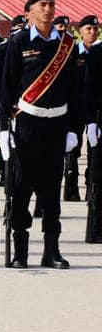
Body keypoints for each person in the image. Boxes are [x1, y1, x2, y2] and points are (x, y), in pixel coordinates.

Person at [0, 0, 90, 270]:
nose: (48, 9)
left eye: (51, 4)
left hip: (57, 125)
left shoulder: (67, 44)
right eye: (42, 5)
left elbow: (76, 92)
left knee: (51, 189)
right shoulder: (18, 42)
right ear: (29, 11)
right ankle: (20, 250)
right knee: (21, 187)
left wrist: (74, 129)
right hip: (28, 124)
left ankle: (51, 249)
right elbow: (7, 88)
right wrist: (4, 128)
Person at [67, 15, 99, 206]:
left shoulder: (99, 53)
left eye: (95, 29)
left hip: (94, 107)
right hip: (76, 107)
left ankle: (91, 186)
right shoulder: (73, 53)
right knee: (73, 148)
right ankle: (71, 188)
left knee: (94, 148)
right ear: (80, 32)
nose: (92, 32)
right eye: (88, 29)